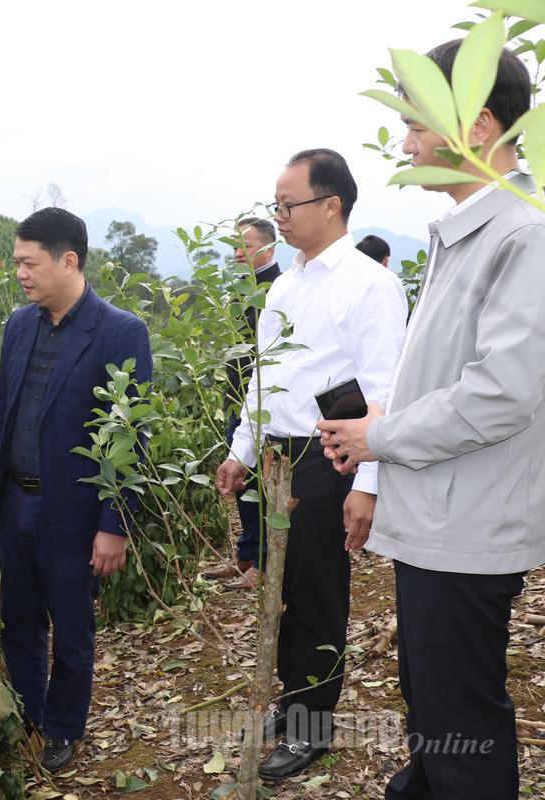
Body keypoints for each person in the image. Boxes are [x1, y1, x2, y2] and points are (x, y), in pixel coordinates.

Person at [319, 41, 544, 800]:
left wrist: (379, 435)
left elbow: (501, 394)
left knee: (463, 728)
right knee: (436, 710)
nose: (407, 145)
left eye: (417, 125)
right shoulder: (469, 232)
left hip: (467, 527)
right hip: (443, 521)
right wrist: (385, 416)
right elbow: (454, 374)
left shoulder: (524, 233)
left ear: (478, 125)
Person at [215, 149, 407, 779]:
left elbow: (383, 392)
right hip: (278, 458)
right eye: (277, 204)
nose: (281, 215)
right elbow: (265, 376)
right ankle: (292, 697)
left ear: (332, 205)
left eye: (289, 204)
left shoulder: (369, 285)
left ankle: (311, 725)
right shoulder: (285, 286)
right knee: (284, 585)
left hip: (332, 455)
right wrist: (243, 449)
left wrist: (368, 483)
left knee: (320, 590)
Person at [0, 207, 152, 772]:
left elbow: (129, 436)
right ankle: (28, 716)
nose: (20, 273)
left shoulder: (119, 332)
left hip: (72, 510)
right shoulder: (19, 325)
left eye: (29, 262)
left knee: (72, 627)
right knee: (19, 619)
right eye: (17, 262)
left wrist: (113, 524)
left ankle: (62, 727)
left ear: (67, 260)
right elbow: (3, 413)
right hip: (19, 499)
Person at [204, 217, 282, 590]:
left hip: (263, 405)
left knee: (261, 490)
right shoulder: (243, 288)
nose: (237, 253)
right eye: (235, 246)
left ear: (269, 247)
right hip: (238, 399)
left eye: (245, 246)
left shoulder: (277, 288)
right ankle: (246, 556)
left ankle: (264, 564)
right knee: (240, 483)